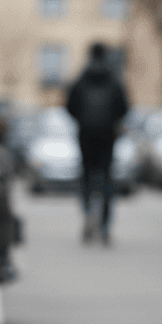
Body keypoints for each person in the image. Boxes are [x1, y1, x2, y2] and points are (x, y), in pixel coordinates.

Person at [66, 43, 130, 244]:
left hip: (85, 134)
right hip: (107, 135)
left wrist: (82, 121)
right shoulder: (114, 79)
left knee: (85, 176)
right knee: (107, 177)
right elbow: (124, 108)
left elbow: (69, 106)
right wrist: (111, 122)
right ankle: (104, 224)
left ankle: (87, 216)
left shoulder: (81, 78)